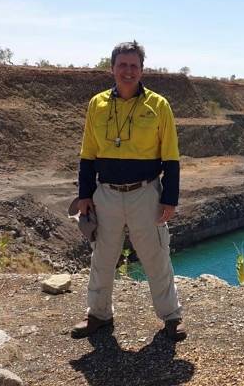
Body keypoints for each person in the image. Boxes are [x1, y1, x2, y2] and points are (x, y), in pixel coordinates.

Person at [71, 40, 185, 341]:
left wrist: (169, 198)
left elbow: (171, 156)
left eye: (134, 65)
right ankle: (98, 315)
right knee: (102, 258)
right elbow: (88, 154)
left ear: (142, 70)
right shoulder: (97, 105)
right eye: (122, 65)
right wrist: (85, 195)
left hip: (145, 194)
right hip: (105, 194)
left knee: (156, 257)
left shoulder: (159, 105)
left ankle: (171, 316)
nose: (128, 71)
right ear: (112, 68)